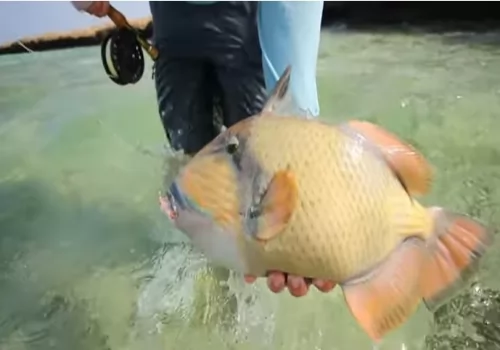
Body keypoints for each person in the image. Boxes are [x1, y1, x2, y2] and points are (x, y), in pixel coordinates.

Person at [72, 0, 335, 297]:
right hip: (171, 29)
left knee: (258, 161)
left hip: (245, 25)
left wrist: (297, 126)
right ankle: (208, 281)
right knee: (186, 162)